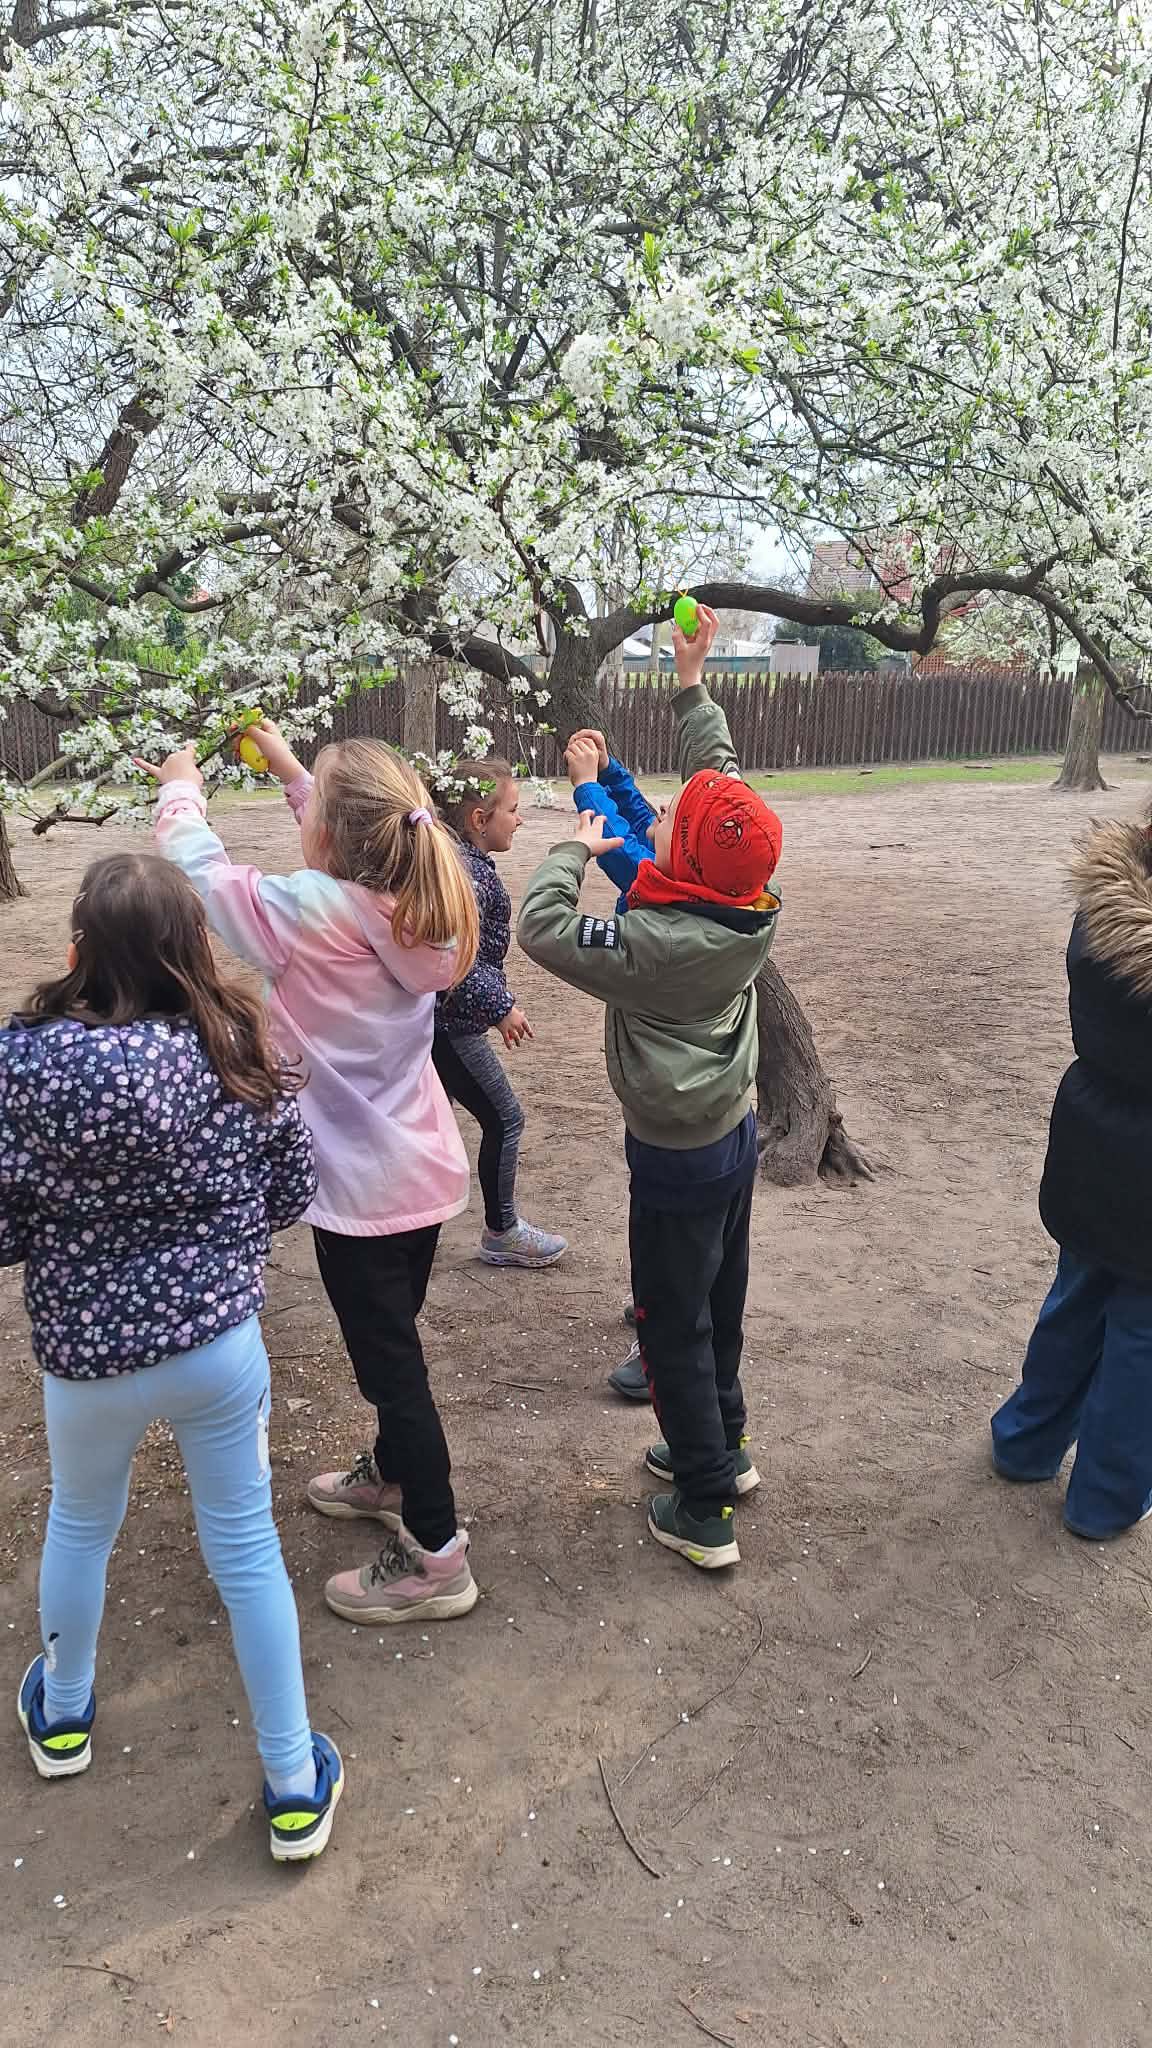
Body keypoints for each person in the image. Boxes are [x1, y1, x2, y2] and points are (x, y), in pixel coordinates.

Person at [0, 853, 343, 1863]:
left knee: (80, 1523)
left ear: (79, 951)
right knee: (245, 1548)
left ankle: (66, 1712)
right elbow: (291, 1188)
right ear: (193, 947)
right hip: (217, 1346)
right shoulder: (233, 1043)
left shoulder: (19, 1065)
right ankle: (293, 1781)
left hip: (86, 1358)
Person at [143, 725, 482, 1626]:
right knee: (395, 1343)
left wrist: (181, 788)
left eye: (311, 806)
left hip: (359, 1193)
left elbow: (203, 872)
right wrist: (300, 773)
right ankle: (392, 1474)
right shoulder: (421, 907)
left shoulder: (308, 913)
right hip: (422, 1176)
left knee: (393, 1370)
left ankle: (436, 1556)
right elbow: (356, 838)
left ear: (331, 834)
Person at [518, 607, 783, 1570]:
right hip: (731, 1138)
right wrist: (690, 680)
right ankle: (725, 1446)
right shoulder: (747, 898)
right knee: (720, 1301)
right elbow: (719, 783)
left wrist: (575, 842)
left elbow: (544, 929)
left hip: (675, 1160)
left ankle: (704, 1509)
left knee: (670, 1321)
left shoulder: (653, 942)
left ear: (686, 866)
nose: (661, 820)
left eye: (674, 826)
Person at [992, 802, 1152, 1539]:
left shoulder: (1104, 913)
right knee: (1141, 1339)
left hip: (1093, 1142)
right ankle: (1106, 1499)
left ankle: (1024, 1442)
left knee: (1077, 1299)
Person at [560, 728, 667, 1397]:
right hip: (676, 1108)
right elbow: (644, 826)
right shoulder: (707, 891)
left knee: (663, 1224)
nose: (659, 814)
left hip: (667, 1109)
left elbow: (625, 849)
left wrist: (585, 790)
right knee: (655, 1217)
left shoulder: (660, 895)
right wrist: (612, 770)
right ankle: (655, 1304)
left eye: (671, 820)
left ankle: (659, 1351)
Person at [432, 758, 567, 1269]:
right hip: (450, 1026)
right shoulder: (464, 875)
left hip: (443, 1021)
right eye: (512, 809)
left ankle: (412, 1223)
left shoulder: (459, 862)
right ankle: (502, 1231)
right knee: (505, 1118)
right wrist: (502, 1007)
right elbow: (456, 959)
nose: (520, 818)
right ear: (478, 819)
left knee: (430, 1121)